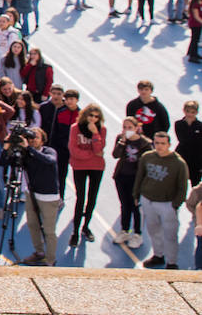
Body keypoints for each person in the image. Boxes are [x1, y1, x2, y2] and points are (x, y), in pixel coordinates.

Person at [134, 131, 189, 269]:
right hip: (148, 200)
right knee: (153, 230)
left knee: (170, 235)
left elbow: (182, 187)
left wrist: (175, 205)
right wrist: (137, 194)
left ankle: (172, 262)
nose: (159, 146)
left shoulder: (178, 163)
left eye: (163, 143)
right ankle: (158, 255)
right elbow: (140, 176)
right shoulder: (147, 157)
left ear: (169, 144)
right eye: (157, 143)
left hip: (167, 204)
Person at [16, 127, 64, 266]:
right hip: (32, 194)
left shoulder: (49, 151)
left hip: (48, 197)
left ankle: (50, 260)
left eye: (36, 137)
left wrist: (29, 150)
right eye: (30, 138)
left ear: (43, 140)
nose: (32, 140)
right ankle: (39, 252)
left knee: (49, 231)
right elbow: (5, 162)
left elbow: (49, 160)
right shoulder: (27, 154)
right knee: (32, 225)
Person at [67, 104, 107, 247]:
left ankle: (86, 227)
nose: (93, 119)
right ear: (85, 115)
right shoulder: (75, 128)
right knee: (80, 198)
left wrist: (95, 133)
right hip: (80, 166)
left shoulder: (101, 130)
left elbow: (100, 148)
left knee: (92, 198)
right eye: (91, 115)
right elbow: (74, 150)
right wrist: (91, 154)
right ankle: (75, 231)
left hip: (96, 167)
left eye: (96, 116)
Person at [111, 117, 149, 248]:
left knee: (135, 206)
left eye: (130, 128)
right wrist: (122, 142)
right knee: (124, 204)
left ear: (137, 128)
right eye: (125, 127)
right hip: (121, 176)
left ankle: (137, 234)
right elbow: (115, 155)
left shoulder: (144, 143)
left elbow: (145, 165)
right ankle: (125, 230)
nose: (127, 130)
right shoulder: (121, 139)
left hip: (135, 179)